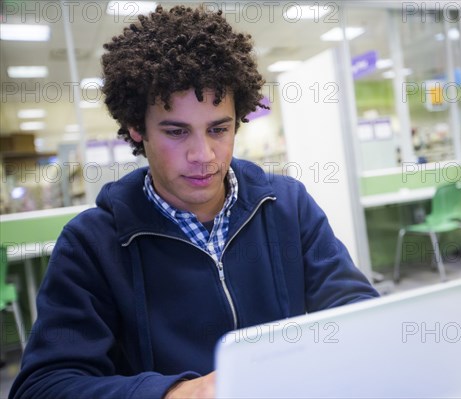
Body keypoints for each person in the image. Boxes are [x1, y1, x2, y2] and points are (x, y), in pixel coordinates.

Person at [9, 5, 379, 399]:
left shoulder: (287, 205)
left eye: (218, 129)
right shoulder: (91, 245)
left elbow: (355, 310)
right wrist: (177, 393)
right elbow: (43, 386)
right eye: (176, 132)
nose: (203, 155)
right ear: (137, 129)